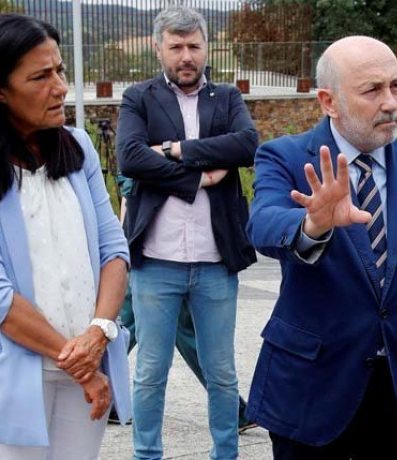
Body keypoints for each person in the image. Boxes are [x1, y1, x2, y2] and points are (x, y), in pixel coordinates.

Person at [245, 36, 397, 459]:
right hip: (313, 390)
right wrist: (313, 223)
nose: (391, 102)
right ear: (329, 101)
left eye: (395, 85)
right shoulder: (285, 155)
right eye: (372, 90)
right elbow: (262, 223)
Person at [0, 14, 130, 458]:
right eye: (40, 76)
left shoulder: (77, 146)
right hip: (16, 372)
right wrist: (81, 365)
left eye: (60, 70)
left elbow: (114, 251)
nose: (60, 87)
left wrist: (98, 334)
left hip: (88, 359)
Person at [115, 5, 259, 459]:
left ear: (206, 48)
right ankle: (147, 455)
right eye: (176, 46)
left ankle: (226, 453)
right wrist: (198, 176)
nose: (185, 56)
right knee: (149, 373)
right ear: (159, 48)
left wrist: (177, 150)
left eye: (193, 46)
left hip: (216, 264)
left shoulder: (228, 97)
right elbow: (131, 157)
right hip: (155, 264)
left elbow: (246, 144)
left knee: (222, 373)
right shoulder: (138, 98)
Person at [109, 174, 257, 434]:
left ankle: (103, 396)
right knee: (148, 329)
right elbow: (131, 192)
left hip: (167, 257)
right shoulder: (149, 142)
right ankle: (235, 412)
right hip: (152, 256)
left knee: (130, 326)